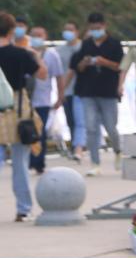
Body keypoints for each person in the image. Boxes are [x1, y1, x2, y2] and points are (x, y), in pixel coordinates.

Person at [0, 12, 47, 221]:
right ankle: (23, 208)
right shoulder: (21, 54)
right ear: (12, 31)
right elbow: (42, 74)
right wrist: (35, 55)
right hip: (18, 109)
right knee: (20, 162)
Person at [70, 12, 123, 177]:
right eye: (93, 28)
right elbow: (77, 67)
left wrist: (103, 62)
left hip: (108, 92)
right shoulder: (86, 44)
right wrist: (85, 62)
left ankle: (118, 150)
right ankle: (95, 162)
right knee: (91, 127)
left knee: (111, 127)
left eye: (98, 28)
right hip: (88, 92)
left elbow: (120, 66)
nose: (95, 31)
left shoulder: (114, 44)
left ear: (104, 26)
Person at [28, 26, 65, 174]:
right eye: (34, 35)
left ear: (45, 36)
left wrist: (60, 96)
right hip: (26, 100)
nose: (36, 38)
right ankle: (29, 160)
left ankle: (38, 161)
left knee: (40, 132)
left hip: (43, 100)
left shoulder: (51, 55)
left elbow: (59, 76)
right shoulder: (25, 52)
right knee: (26, 130)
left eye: (39, 35)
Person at [56, 21, 86, 160]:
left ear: (77, 32)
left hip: (81, 90)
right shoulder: (59, 50)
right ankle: (76, 146)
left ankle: (79, 147)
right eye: (66, 29)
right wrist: (61, 90)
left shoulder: (83, 47)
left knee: (81, 121)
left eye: (71, 30)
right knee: (71, 120)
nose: (68, 32)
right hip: (67, 90)